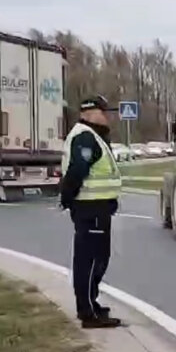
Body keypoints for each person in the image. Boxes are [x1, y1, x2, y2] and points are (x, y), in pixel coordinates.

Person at [60, 95, 123, 328]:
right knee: (90, 261)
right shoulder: (85, 137)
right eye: (103, 112)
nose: (107, 116)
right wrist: (67, 198)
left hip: (97, 209)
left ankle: (91, 304)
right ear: (90, 112)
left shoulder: (92, 135)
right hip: (90, 209)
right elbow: (77, 171)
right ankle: (87, 312)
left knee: (99, 259)